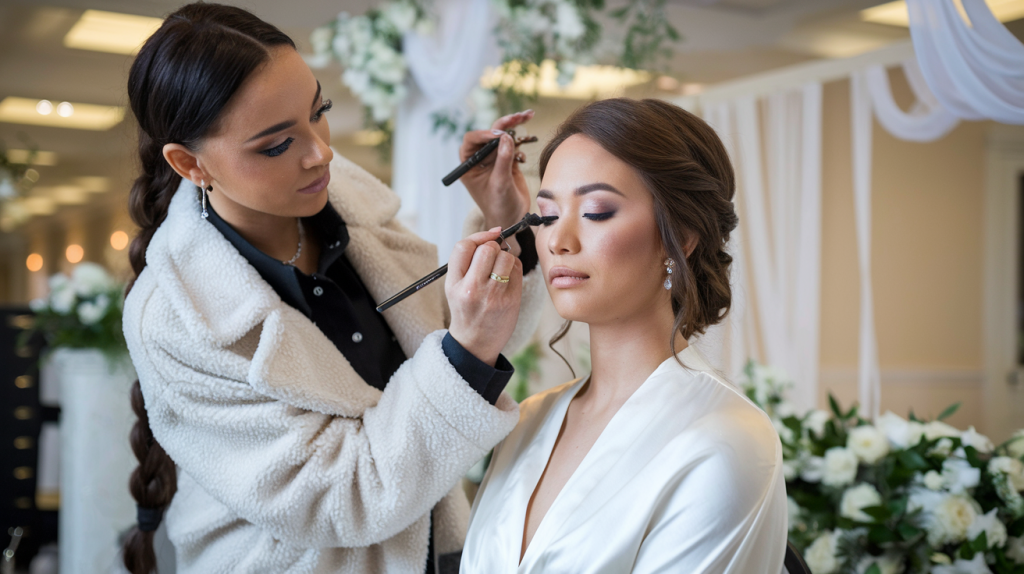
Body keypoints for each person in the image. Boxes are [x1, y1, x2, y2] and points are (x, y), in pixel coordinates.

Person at [119, 4, 545, 573]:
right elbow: (338, 496)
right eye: (275, 145)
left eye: (319, 112)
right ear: (190, 164)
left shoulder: (346, 202)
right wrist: (465, 349)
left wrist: (505, 219)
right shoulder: (175, 317)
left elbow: (462, 342)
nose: (321, 152)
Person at [461, 98, 788, 573]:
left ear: (683, 232)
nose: (558, 241)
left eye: (595, 211)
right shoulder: (528, 422)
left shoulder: (724, 442)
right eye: (547, 216)